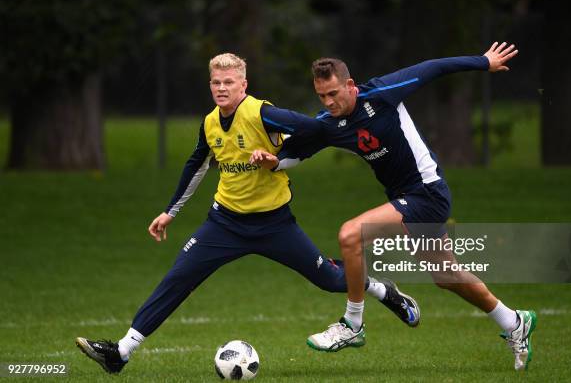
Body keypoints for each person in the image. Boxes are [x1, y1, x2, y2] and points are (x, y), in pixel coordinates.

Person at [75, 53, 420, 374]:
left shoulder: (262, 113)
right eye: (216, 82)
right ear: (210, 85)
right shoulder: (210, 123)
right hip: (224, 224)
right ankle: (120, 353)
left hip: (275, 225)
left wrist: (278, 152)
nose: (221, 88)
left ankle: (378, 289)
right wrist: (169, 213)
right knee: (179, 278)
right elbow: (195, 166)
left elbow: (313, 128)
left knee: (329, 280)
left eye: (229, 82)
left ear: (244, 85)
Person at [250, 42, 537, 371]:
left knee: (350, 236)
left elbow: (432, 67)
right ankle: (514, 321)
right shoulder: (329, 123)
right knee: (446, 276)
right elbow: (293, 153)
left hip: (427, 193)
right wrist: (270, 161)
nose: (329, 102)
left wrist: (483, 62)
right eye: (321, 96)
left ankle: (352, 324)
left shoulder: (381, 94)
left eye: (333, 93)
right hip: (405, 198)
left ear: (349, 85)